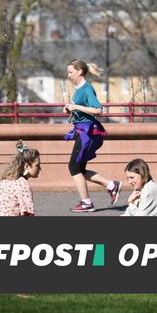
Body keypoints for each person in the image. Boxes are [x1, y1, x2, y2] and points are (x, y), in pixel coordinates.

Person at [63, 58, 122, 212]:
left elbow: (99, 110)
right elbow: (81, 109)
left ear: (80, 71)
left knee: (74, 167)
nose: (68, 75)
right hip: (82, 131)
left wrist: (76, 106)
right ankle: (111, 185)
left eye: (70, 72)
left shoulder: (87, 88)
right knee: (79, 169)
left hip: (87, 132)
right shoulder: (78, 89)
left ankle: (86, 203)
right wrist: (71, 110)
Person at [0, 140, 40, 216]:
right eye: (37, 165)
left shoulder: (3, 182)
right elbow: (28, 214)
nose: (40, 168)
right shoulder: (23, 185)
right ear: (27, 166)